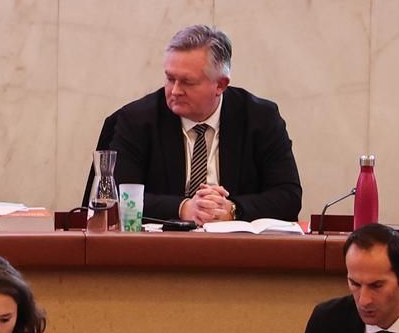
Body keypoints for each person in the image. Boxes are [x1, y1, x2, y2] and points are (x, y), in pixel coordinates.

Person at [107, 25, 301, 225]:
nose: (175, 91)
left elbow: (288, 197)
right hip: (162, 242)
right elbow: (117, 196)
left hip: (236, 243)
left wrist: (232, 209)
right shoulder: (137, 119)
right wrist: (184, 208)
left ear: (220, 85)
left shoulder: (260, 118)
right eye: (170, 79)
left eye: (187, 82)